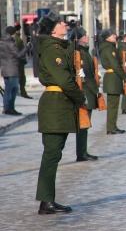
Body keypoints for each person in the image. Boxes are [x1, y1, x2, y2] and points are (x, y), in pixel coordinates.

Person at [35, 12, 85, 214]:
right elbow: (63, 80)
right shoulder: (52, 50)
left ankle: (46, 200)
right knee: (52, 155)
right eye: (60, 23)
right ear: (53, 29)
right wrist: (80, 98)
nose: (65, 24)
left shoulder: (59, 47)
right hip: (56, 105)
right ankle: (46, 201)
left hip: (60, 104)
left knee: (54, 154)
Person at [69, 27, 99, 162]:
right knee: (83, 124)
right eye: (84, 36)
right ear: (78, 38)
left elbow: (89, 72)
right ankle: (81, 153)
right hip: (84, 90)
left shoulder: (84, 52)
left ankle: (82, 151)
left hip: (88, 88)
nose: (87, 37)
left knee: (85, 124)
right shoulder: (75, 52)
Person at [99, 28, 126, 134]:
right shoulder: (109, 49)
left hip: (113, 77)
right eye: (112, 35)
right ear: (107, 38)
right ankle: (111, 127)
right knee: (113, 105)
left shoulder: (110, 48)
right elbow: (115, 65)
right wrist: (124, 76)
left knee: (114, 105)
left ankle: (113, 126)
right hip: (113, 78)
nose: (115, 36)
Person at [0, 26, 32, 115]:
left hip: (4, 68)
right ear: (12, 33)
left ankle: (6, 108)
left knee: (7, 89)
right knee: (13, 89)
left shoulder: (2, 41)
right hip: (12, 68)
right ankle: (10, 108)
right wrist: (27, 48)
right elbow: (18, 55)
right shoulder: (10, 43)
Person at [15, 24, 33, 99]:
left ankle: (22, 91)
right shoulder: (17, 39)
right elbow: (19, 52)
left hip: (19, 61)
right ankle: (21, 92)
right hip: (18, 61)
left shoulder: (18, 38)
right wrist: (26, 48)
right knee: (20, 78)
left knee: (22, 78)